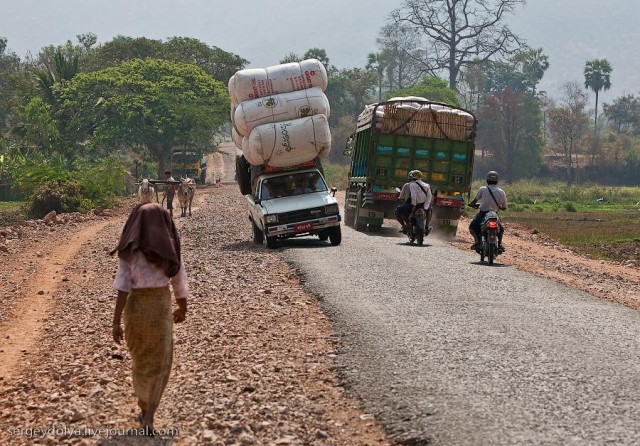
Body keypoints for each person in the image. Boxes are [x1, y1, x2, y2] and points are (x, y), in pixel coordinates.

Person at [110, 202, 189, 434]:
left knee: (141, 362)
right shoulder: (170, 251)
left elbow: (122, 287)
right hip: (159, 310)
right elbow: (179, 281)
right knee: (160, 363)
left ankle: (143, 407)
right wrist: (182, 308)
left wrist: (116, 322)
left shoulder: (129, 251)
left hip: (135, 311)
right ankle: (149, 417)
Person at [468, 170, 508, 251]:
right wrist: (499, 207)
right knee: (501, 229)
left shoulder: (482, 189)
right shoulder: (501, 192)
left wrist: (471, 204)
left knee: (472, 227)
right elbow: (504, 207)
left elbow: (474, 201)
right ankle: (499, 244)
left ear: (487, 180)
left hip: (483, 214)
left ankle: (477, 241)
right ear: (497, 181)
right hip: (494, 215)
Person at [395, 170, 433, 234]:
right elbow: (429, 196)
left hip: (413, 205)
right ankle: (427, 226)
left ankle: (406, 226)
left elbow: (413, 195)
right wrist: (426, 207)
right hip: (423, 205)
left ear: (412, 178)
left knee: (398, 210)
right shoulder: (427, 185)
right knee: (430, 209)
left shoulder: (412, 184)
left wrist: (414, 205)